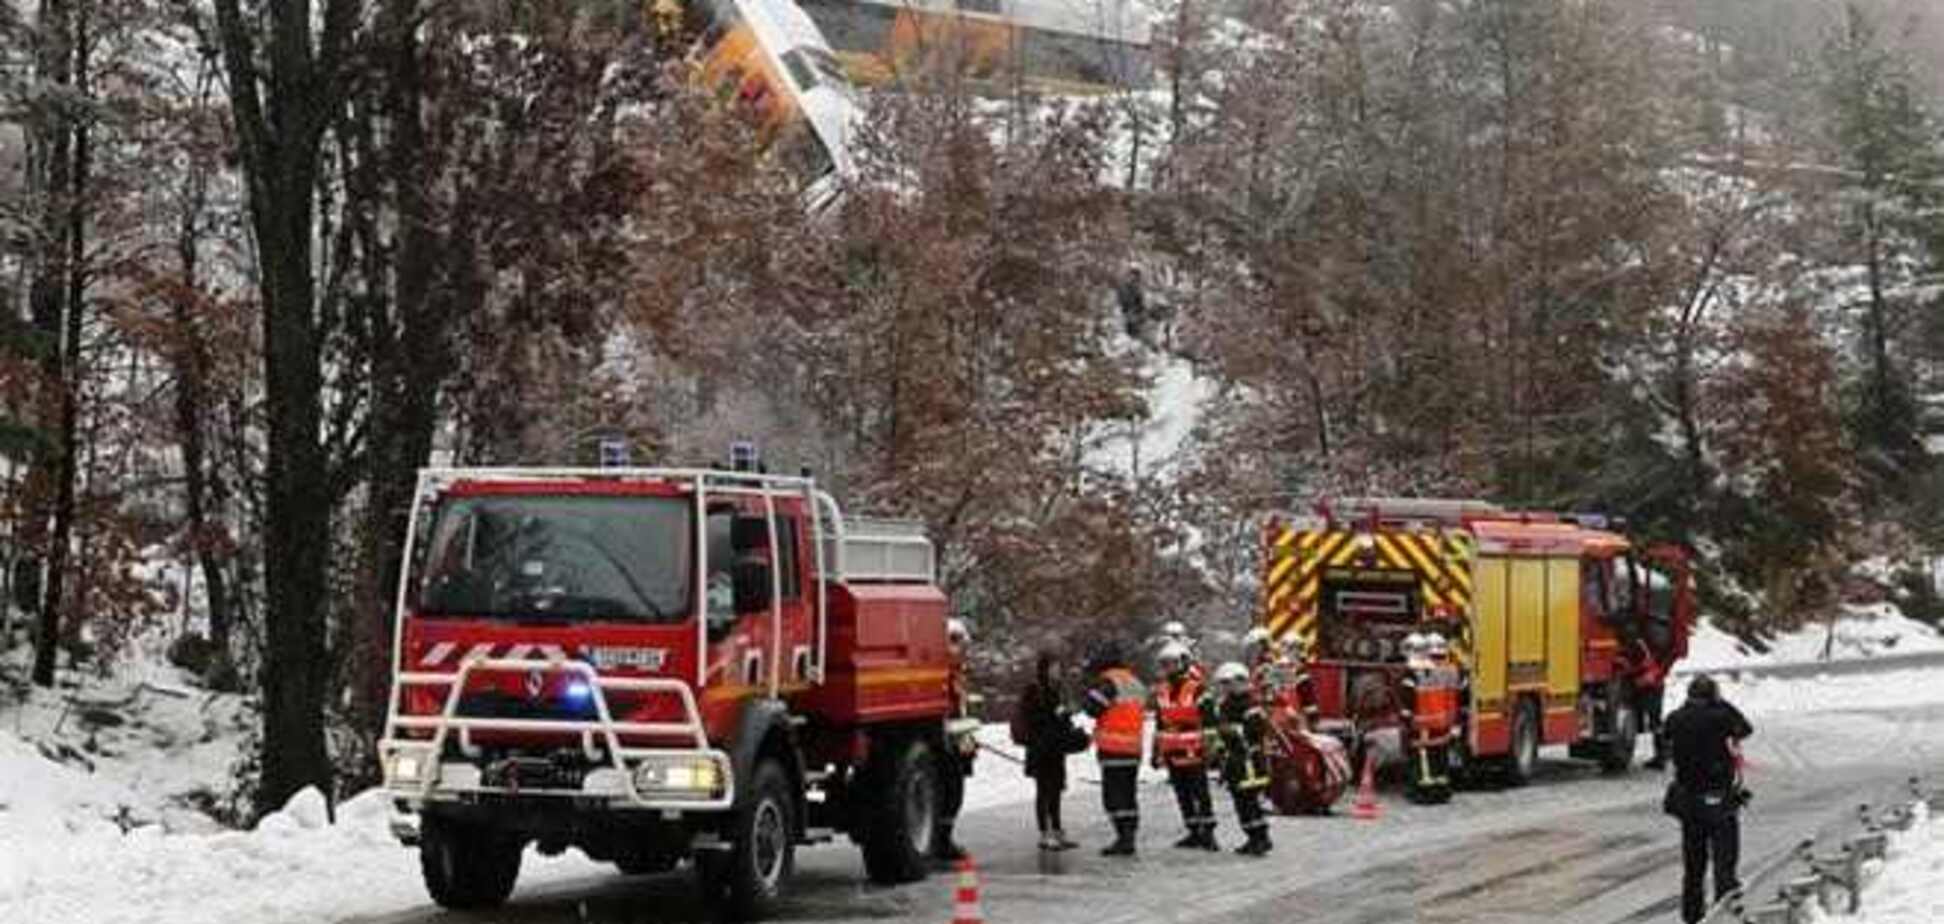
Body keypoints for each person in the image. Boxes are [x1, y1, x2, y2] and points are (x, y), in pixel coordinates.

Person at [1664, 675, 1754, 924]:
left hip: (1689, 800)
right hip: (1718, 798)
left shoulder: (1676, 718)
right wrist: (1721, 704)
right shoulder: (1722, 717)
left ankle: (1692, 916)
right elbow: (1745, 728)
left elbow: (1665, 736)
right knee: (1724, 863)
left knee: (1694, 867)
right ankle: (1725, 915)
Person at [1151, 641, 1217, 850]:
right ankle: (1192, 831)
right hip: (1172, 750)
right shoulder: (1162, 691)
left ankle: (1208, 833)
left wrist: (1211, 749)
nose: (1168, 668)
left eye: (1172, 663)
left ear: (1184, 663)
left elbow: (1210, 722)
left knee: (1199, 792)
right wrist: (1156, 752)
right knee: (1182, 794)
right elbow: (1160, 723)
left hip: (1194, 750)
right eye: (1165, 664)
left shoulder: (1198, 689)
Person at [1083, 642, 1147, 856]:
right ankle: (1129, 835)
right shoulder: (1135, 682)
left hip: (1113, 748)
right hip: (1133, 748)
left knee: (1113, 796)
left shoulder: (1108, 682)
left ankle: (1123, 837)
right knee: (1129, 795)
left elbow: (1092, 708)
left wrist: (1088, 691)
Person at [1204, 661, 1273, 856]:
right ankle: (1253, 837)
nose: (1225, 687)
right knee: (1240, 802)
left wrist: (1232, 731)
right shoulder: (1223, 705)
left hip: (1249, 761)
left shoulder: (1251, 705)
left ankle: (1261, 838)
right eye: (1223, 683)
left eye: (1228, 683)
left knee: (1249, 801)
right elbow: (1218, 732)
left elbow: (1255, 731)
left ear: (1241, 682)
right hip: (1234, 761)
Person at [1020, 649, 1082, 851]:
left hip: (1056, 748)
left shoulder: (1056, 689)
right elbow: (1033, 718)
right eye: (1054, 667)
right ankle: (1045, 833)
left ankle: (1056, 829)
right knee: (1044, 790)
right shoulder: (1034, 689)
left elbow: (1058, 718)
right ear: (1044, 669)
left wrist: (1067, 717)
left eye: (1058, 667)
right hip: (1040, 749)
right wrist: (1058, 713)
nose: (1057, 671)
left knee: (1056, 790)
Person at [935, 618, 977, 862]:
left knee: (954, 788)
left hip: (956, 736)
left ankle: (944, 836)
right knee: (950, 789)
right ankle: (942, 838)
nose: (963, 652)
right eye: (959, 645)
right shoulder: (943, 673)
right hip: (946, 739)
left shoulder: (957, 673)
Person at [1634, 637, 1670, 770]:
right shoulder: (1644, 646)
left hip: (1652, 688)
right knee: (1655, 721)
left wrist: (1640, 682)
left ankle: (1661, 755)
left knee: (1655, 721)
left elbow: (1650, 672)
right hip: (1654, 686)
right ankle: (1662, 754)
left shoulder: (1640, 648)